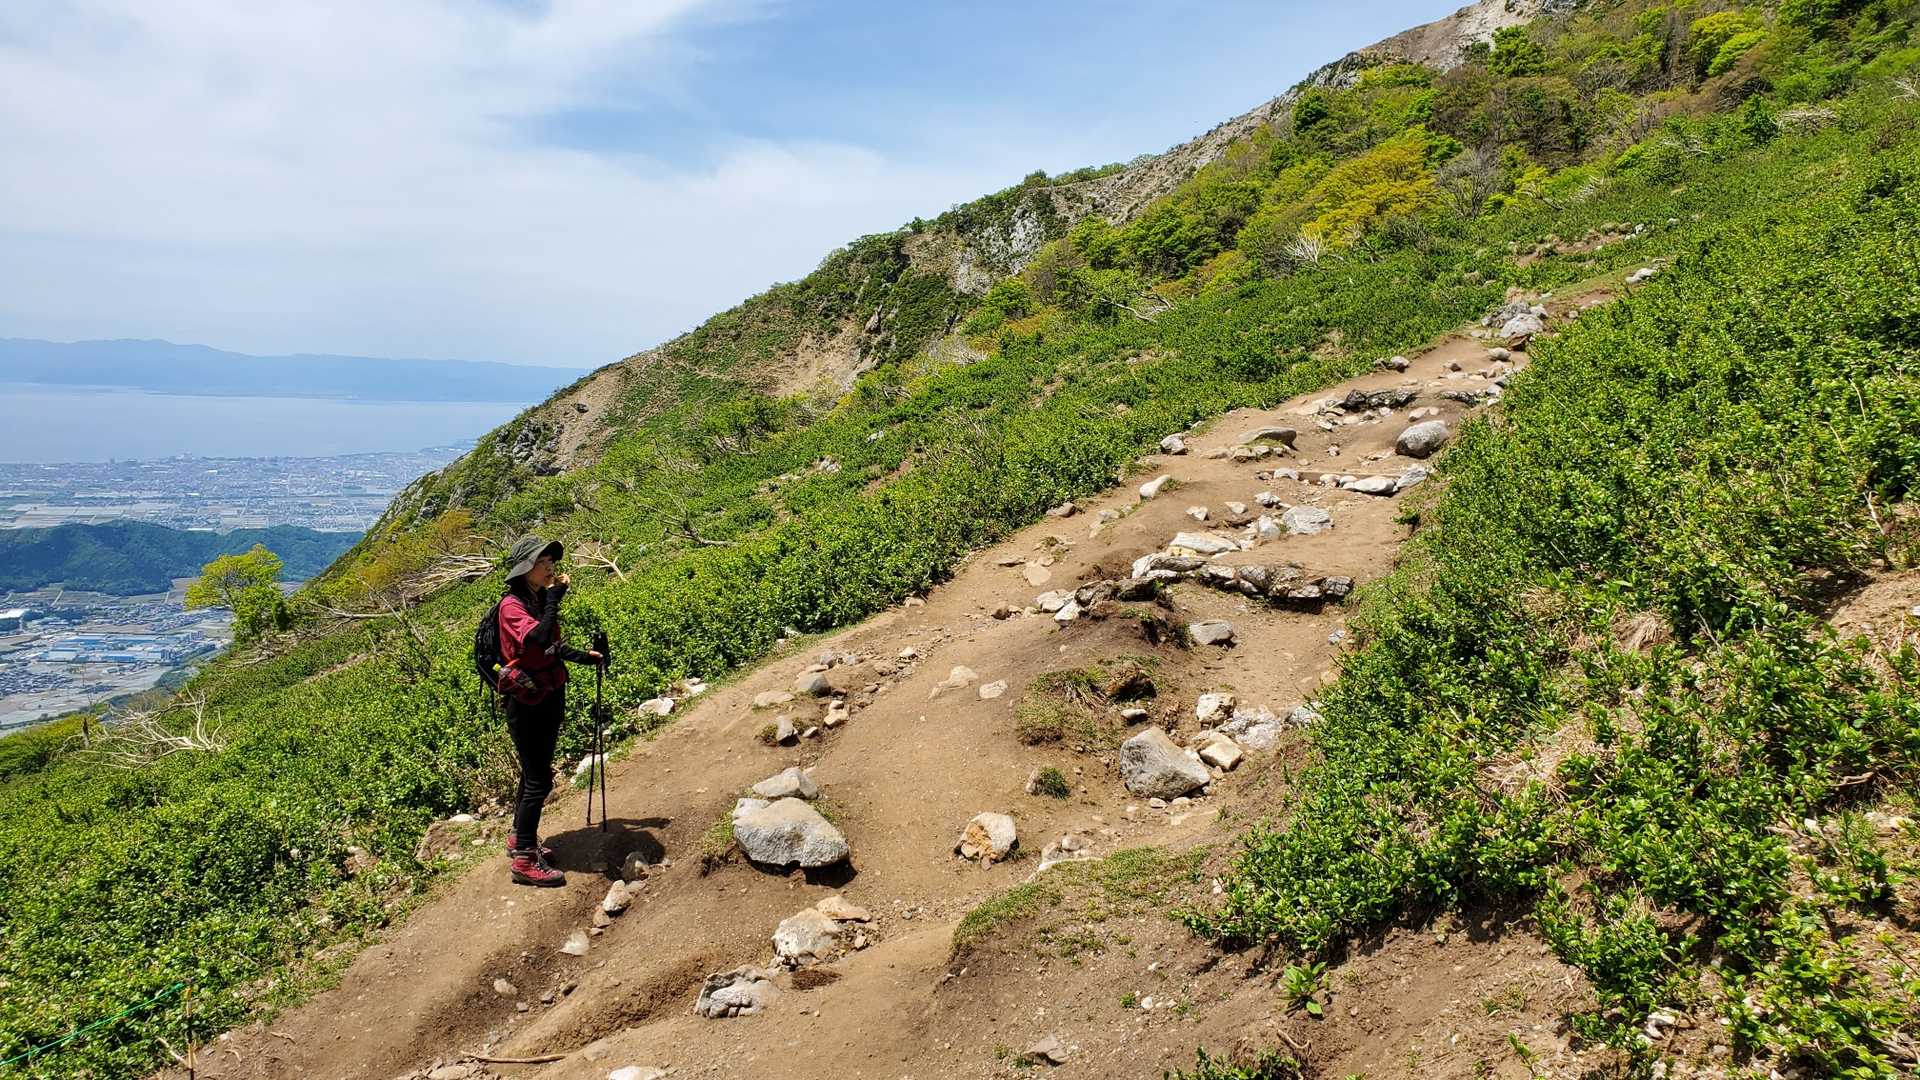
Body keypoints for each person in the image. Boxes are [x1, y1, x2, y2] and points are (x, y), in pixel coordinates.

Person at [496, 536, 603, 887]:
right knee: (538, 779)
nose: (549, 566)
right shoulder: (512, 606)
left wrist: (584, 657)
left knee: (534, 774)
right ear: (524, 568)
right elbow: (538, 639)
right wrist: (556, 598)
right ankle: (525, 860)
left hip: (546, 694)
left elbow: (550, 647)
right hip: (527, 703)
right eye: (541, 561)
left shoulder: (536, 599)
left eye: (550, 561)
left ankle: (519, 838)